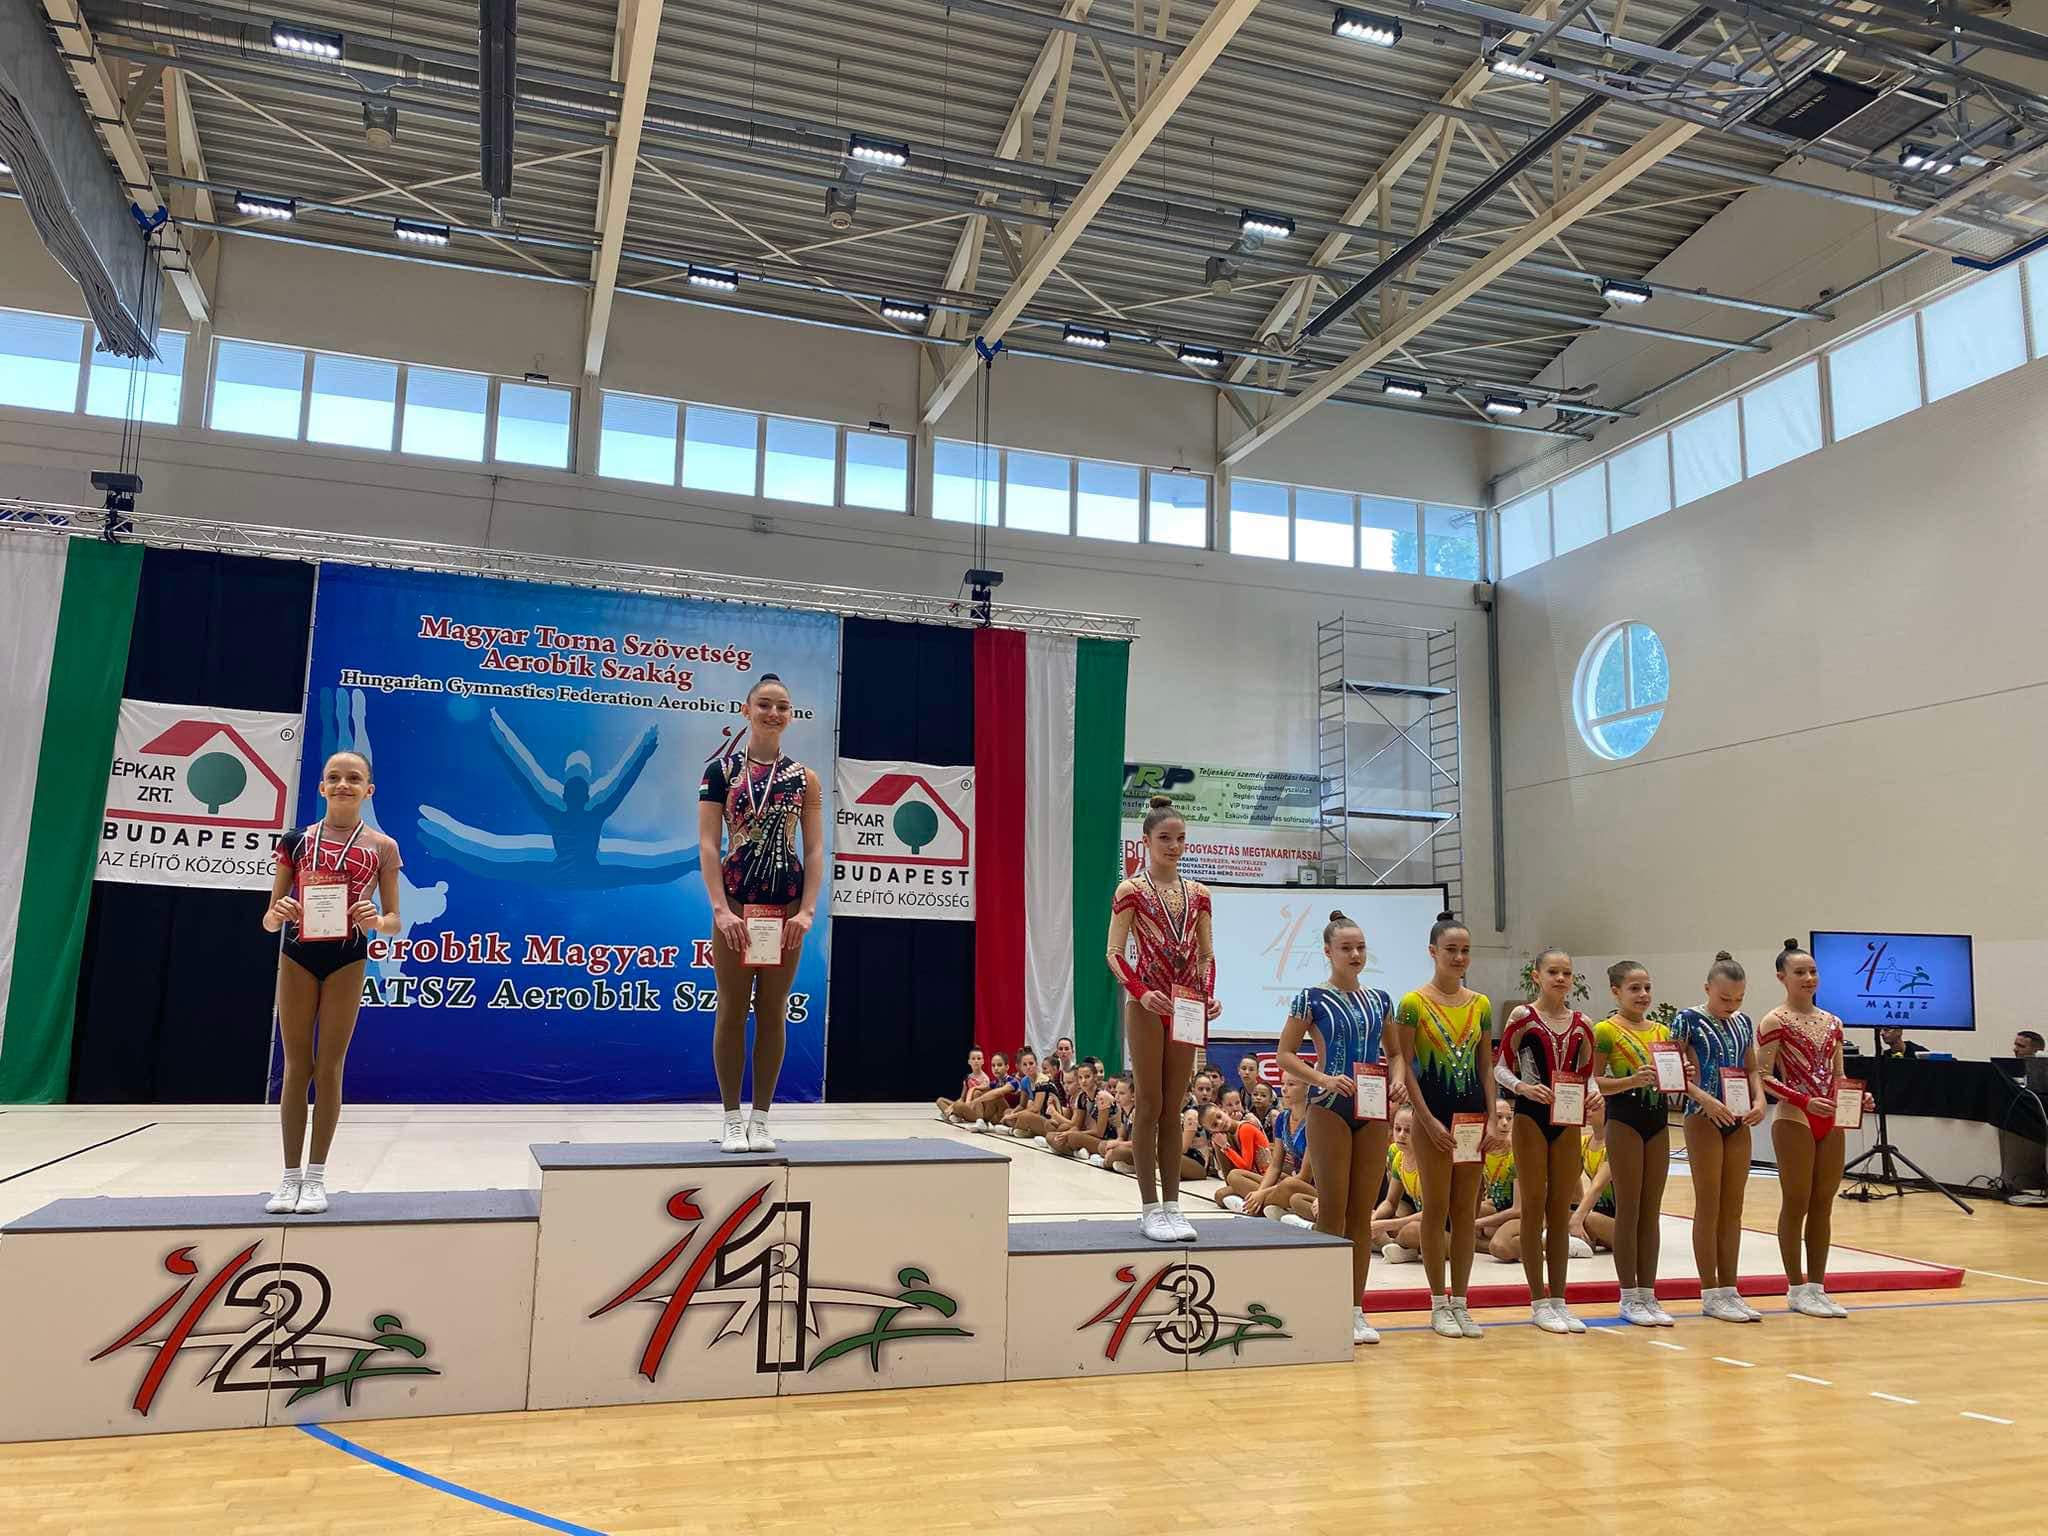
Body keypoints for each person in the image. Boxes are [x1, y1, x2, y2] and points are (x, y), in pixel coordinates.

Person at [261, 750, 402, 1215]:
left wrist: (376, 920)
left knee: (330, 1067)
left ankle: (317, 1177)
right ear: (321, 786)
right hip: (298, 954)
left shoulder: (382, 846)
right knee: (296, 1066)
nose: (344, 784)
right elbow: (268, 919)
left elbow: (394, 920)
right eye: (334, 777)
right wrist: (279, 912)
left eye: (354, 778)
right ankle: (289, 1178)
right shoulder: (296, 841)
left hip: (347, 958)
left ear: (369, 790)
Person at [697, 674, 825, 1155]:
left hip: (784, 910)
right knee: (732, 1009)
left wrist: (807, 910)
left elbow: (814, 849)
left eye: (782, 707)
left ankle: (762, 1118)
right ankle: (732, 1117)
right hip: (735, 906)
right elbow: (708, 843)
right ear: (746, 710)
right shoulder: (721, 772)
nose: (774, 713)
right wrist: (719, 909)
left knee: (773, 1010)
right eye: (765, 705)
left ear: (790, 716)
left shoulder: (805, 778)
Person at [1275, 910, 1397, 1346]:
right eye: (1346, 948)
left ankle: (1355, 1309)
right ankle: (1326, 1306)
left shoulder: (1381, 999)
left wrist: (1398, 1080)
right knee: (1332, 1210)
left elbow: (1395, 1054)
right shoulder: (1310, 998)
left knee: (1361, 1214)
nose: (1355, 954)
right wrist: (1323, 1079)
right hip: (1328, 1107)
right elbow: (1285, 1053)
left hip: (1372, 1108)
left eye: (1360, 947)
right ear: (1328, 952)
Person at [1106, 794, 1221, 1243]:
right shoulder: (1131, 891)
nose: (1174, 847)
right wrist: (1142, 992)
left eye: (1180, 839)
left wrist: (1207, 997)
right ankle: (1149, 1208)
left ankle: (1174, 1206)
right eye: (1165, 839)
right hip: (1148, 1005)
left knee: (1175, 1108)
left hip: (1186, 1005)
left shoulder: (1200, 894)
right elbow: (1114, 953)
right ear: (1146, 841)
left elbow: (1207, 956)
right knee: (1150, 1103)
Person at [1391, 912, 1501, 1340]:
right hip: (1431, 1118)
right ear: (1433, 952)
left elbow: (1485, 1067)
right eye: (1451, 950)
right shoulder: (1413, 1003)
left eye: (1465, 951)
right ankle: (1438, 1302)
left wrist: (1492, 1119)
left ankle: (1462, 1302)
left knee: (1465, 1213)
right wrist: (1426, 1119)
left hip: (1472, 1120)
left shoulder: (1481, 1004)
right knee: (1436, 1210)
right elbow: (1406, 1065)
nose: (1458, 958)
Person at [1760, 939, 1871, 1319]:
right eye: (1800, 972)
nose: (1809, 978)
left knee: (1823, 1204)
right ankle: (1795, 1287)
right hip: (1795, 1117)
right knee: (1797, 1202)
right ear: (1782, 977)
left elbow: (1838, 1075)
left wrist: (1856, 1097)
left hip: (1830, 1118)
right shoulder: (1775, 1021)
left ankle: (1818, 1287)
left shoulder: (1833, 1022)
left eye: (1813, 971)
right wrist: (1805, 1101)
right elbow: (1763, 1076)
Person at [1494, 947, 1598, 1336]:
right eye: (1553, 972)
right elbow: (1500, 1067)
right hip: (1530, 1116)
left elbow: (1587, 1073)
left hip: (1567, 1119)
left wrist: (1593, 1093)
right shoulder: (1523, 1017)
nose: (1560, 978)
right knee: (1534, 1207)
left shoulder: (1583, 1023)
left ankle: (1559, 1299)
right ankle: (1538, 1301)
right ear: (1536, 976)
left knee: (1560, 1210)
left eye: (1566, 973)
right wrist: (1523, 1088)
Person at [1671, 953, 1766, 1324]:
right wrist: (1704, 1099)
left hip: (1738, 1116)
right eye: (1725, 998)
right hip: (1703, 1115)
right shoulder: (1687, 1019)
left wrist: (1759, 1100)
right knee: (1709, 1204)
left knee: (1733, 1206)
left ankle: (1730, 1288)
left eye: (1739, 998)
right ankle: (1709, 1291)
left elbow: (1751, 1067)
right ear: (1707, 988)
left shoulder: (1743, 1021)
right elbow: (1672, 1072)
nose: (1732, 1005)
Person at [1590, 961, 1677, 1328]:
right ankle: (1628, 1295)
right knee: (1629, 1208)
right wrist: (1630, 1081)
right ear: (1616, 992)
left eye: (1647, 988)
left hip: (1657, 1123)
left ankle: (1648, 1293)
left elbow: (1670, 1081)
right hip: (1624, 1121)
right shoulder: (1606, 1031)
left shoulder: (1662, 1031)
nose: (1643, 995)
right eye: (1634, 988)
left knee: (1651, 1210)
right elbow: (1592, 1080)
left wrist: (1680, 1077)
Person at [1221, 1076, 1316, 1219]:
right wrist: (1259, 1192)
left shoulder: (1314, 1121)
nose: (1284, 1089)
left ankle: (1255, 1209)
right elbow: (1275, 1166)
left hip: (1307, 1186)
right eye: (1283, 1084)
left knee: (1289, 1185)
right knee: (1234, 1176)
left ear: (1307, 1088)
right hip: (1289, 1179)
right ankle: (1266, 1207)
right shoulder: (1283, 1118)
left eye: (1291, 1084)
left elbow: (1305, 1177)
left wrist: (1262, 1194)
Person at [1569, 1092, 1616, 1253]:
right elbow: (1568, 1180)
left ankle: (1583, 1242)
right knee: (1558, 1217)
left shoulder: (1615, 1144)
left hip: (1623, 1223)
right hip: (1601, 1218)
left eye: (1594, 1108)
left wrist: (1577, 1218)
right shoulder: (1585, 1143)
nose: (1588, 1112)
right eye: (1586, 1107)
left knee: (1588, 1219)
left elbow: (1597, 1186)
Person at [935, 1047, 990, 1124]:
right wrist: (952, 1106)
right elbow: (962, 1098)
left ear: (983, 1061)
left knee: (960, 1104)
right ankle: (952, 1116)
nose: (976, 1061)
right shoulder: (968, 1078)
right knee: (940, 1100)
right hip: (965, 1106)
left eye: (979, 1058)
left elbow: (984, 1100)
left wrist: (957, 1106)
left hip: (977, 1112)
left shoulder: (985, 1079)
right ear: (969, 1061)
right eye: (973, 1059)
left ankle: (953, 1115)